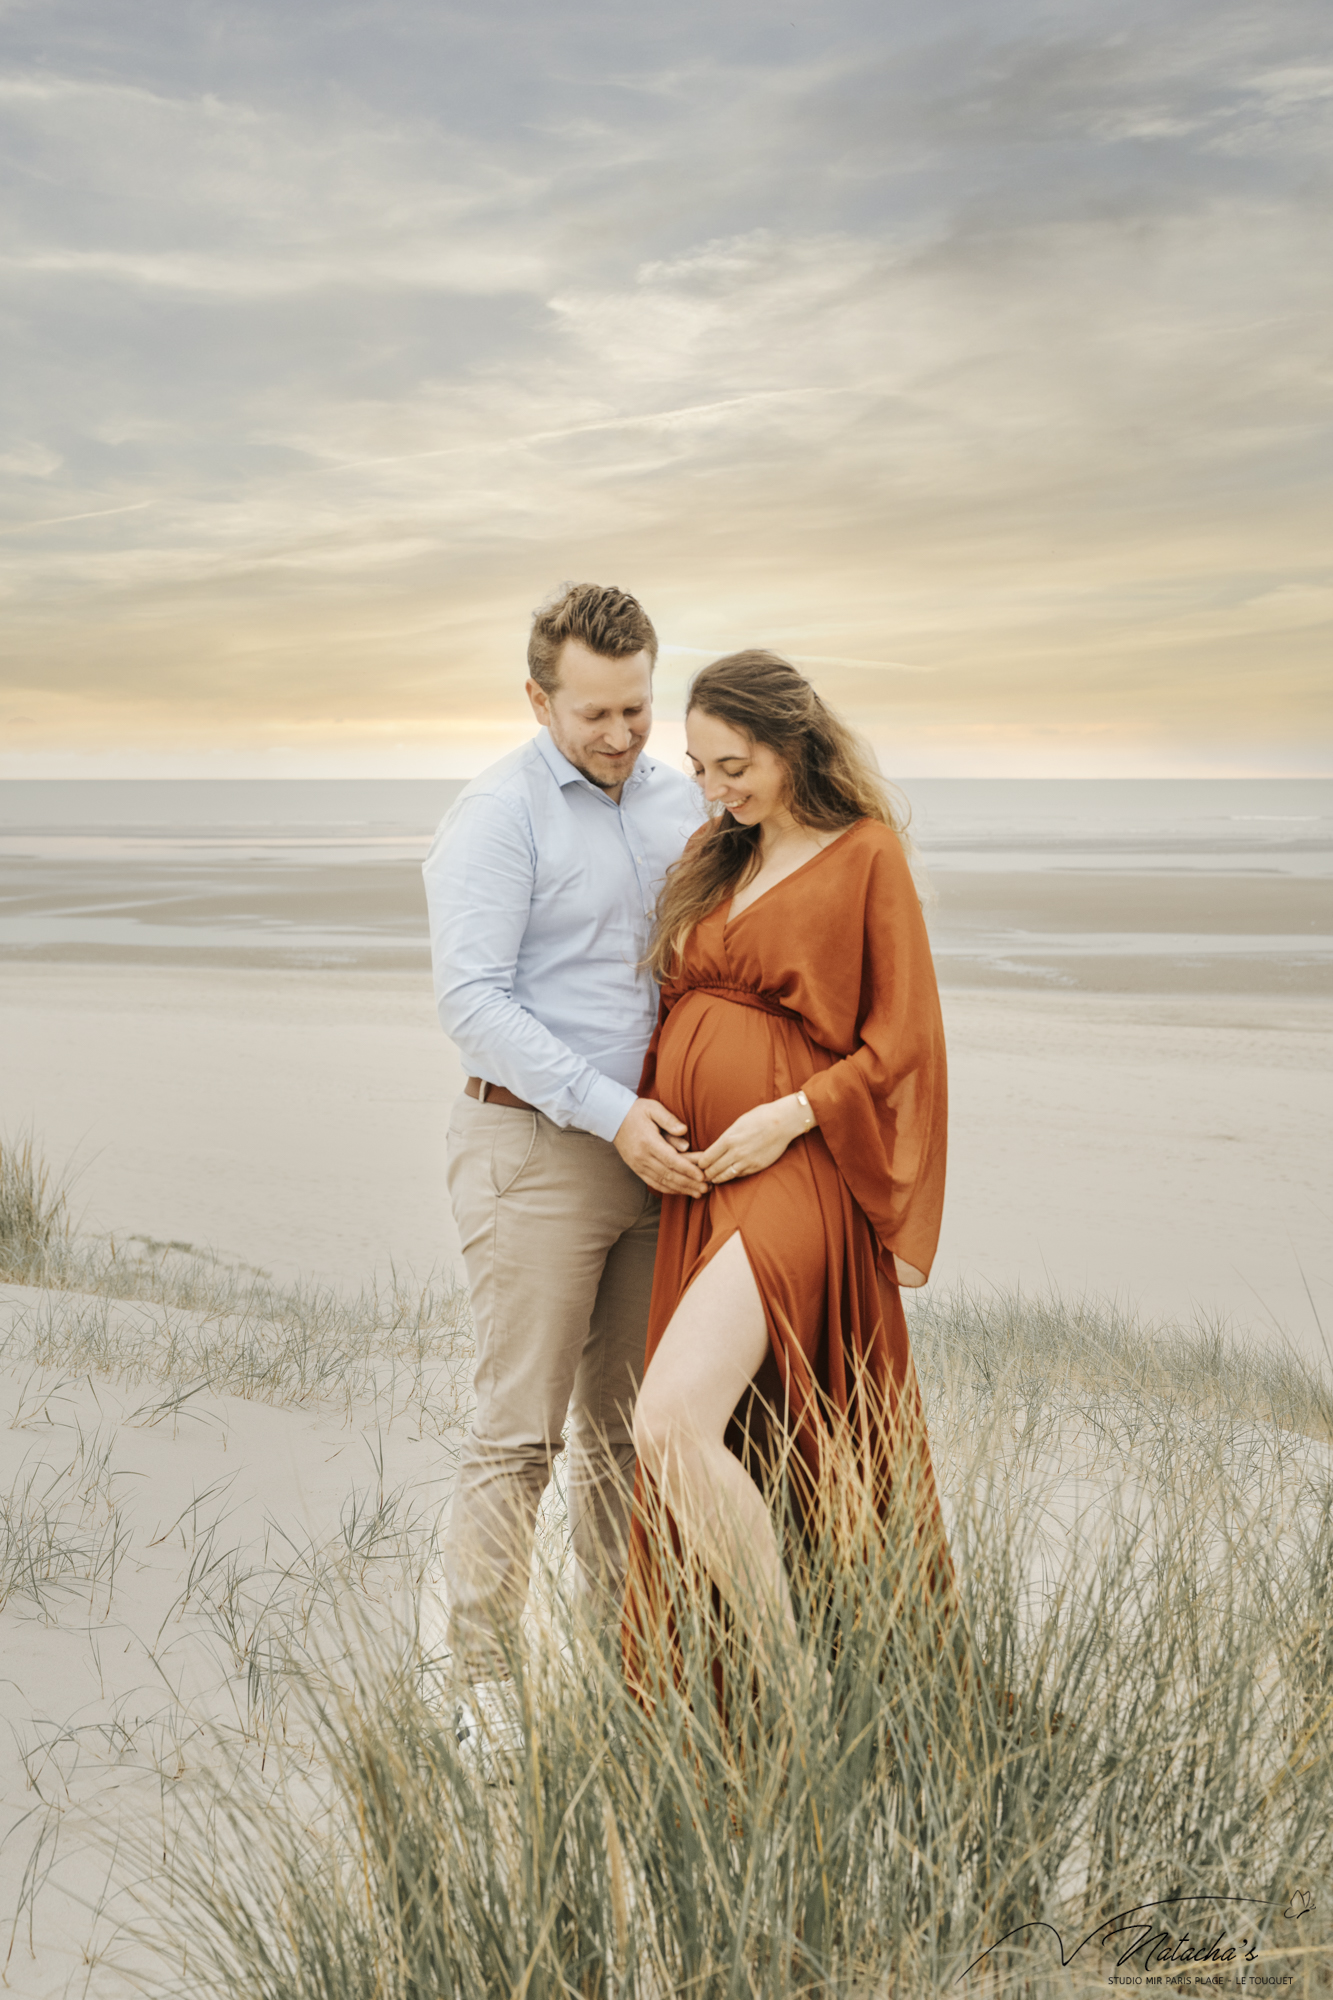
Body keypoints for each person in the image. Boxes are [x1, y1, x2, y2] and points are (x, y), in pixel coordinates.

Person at [622, 649, 955, 1686]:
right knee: (734, 1427)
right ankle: (763, 1673)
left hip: (795, 1169)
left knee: (669, 1419)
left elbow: (903, 1040)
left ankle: (790, 1675)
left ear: (790, 743)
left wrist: (787, 1113)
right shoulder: (715, 854)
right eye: (699, 769)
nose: (715, 792)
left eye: (734, 767)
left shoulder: (865, 854)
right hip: (707, 1178)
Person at [423, 581, 706, 1726]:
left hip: (654, 1158)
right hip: (534, 1149)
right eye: (594, 713)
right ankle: (482, 1694)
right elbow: (473, 1002)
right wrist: (608, 1107)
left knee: (632, 1439)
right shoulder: (497, 815)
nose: (622, 735)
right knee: (518, 1435)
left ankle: (621, 1673)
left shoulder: (682, 800)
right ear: (538, 699)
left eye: (637, 708)